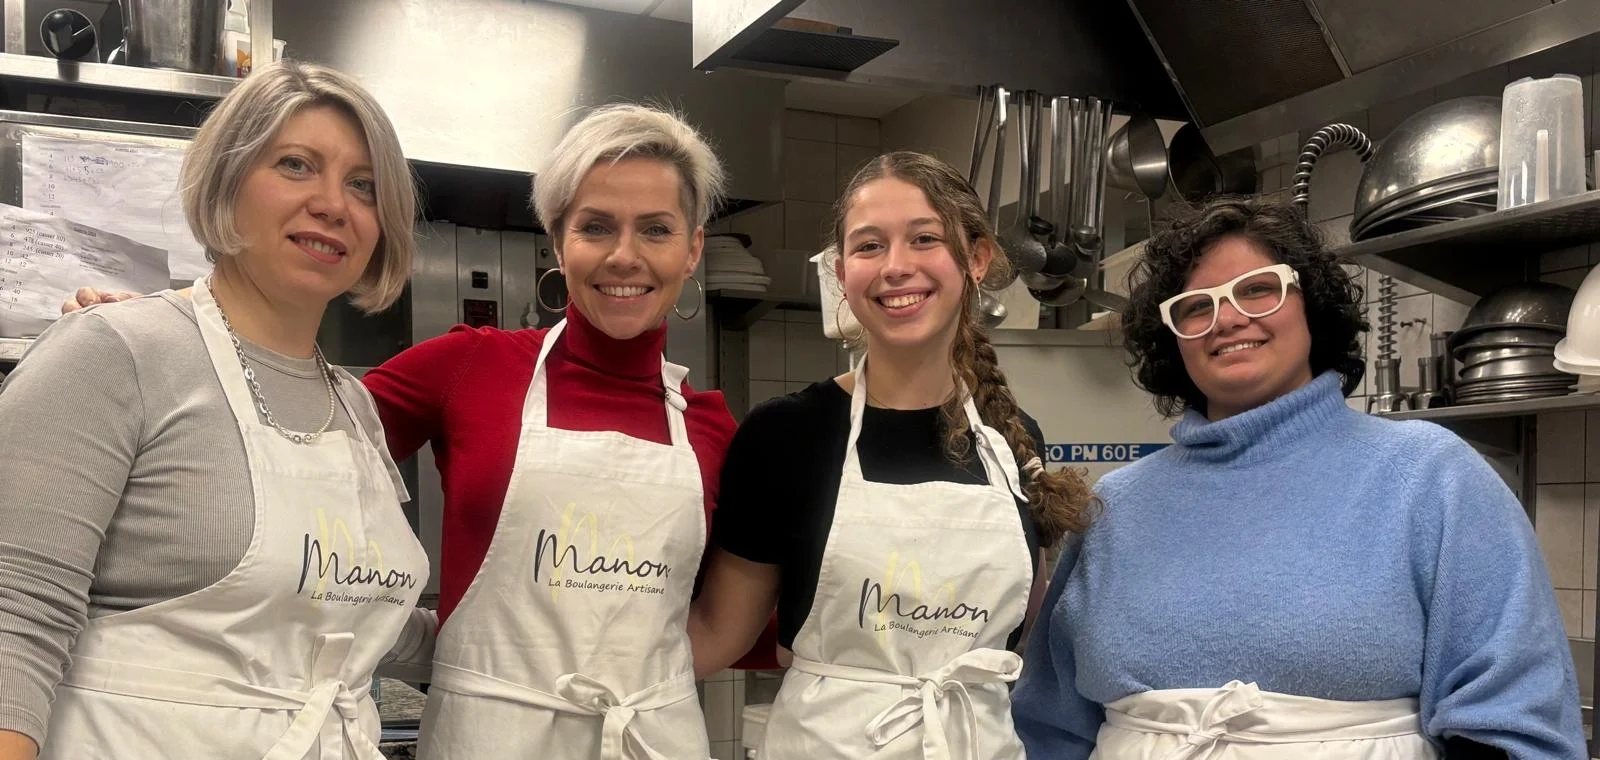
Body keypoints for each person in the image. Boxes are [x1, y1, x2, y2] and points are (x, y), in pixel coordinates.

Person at [1011, 196, 1586, 759]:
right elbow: (1048, 727)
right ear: (1173, 339)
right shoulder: (1115, 507)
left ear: (1312, 306)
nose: (1227, 319)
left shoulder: (1429, 476)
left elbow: (1512, 718)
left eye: (1257, 289)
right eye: (1195, 306)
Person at [0, 60, 432, 760]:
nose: (333, 204)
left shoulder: (354, 406)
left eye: (364, 185)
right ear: (227, 185)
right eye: (296, 165)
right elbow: (16, 615)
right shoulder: (115, 350)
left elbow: (351, 615)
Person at [360, 104, 775, 759]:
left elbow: (732, 619)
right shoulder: (468, 367)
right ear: (558, 241)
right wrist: (390, 626)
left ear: (693, 249)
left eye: (656, 230)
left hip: (650, 739)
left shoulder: (711, 426)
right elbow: (304, 456)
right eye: (596, 227)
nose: (624, 256)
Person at [687, 151, 1096, 759]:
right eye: (869, 246)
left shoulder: (1011, 437)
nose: (896, 266)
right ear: (841, 272)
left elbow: (1031, 634)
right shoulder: (786, 435)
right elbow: (717, 634)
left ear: (977, 258)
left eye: (924, 238)